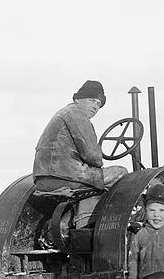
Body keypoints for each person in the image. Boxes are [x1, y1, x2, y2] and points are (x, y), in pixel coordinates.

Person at [33, 80, 128, 226]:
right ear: (78, 99)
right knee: (121, 172)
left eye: (98, 104)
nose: (95, 107)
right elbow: (94, 157)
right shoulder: (77, 114)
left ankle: (70, 219)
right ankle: (94, 223)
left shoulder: (63, 112)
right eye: (92, 101)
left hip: (43, 176)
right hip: (67, 174)